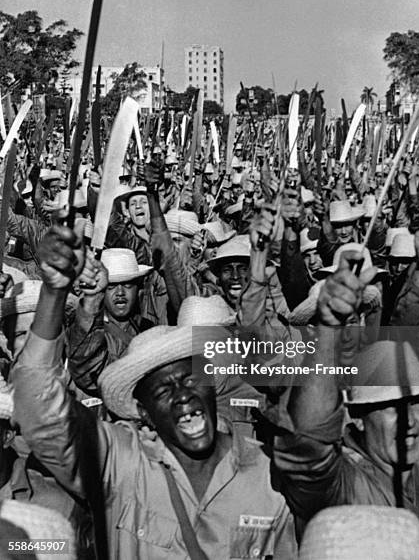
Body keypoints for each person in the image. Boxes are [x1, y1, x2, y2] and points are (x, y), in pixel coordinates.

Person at [11, 219, 297, 559]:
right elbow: (39, 406)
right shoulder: (121, 466)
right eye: (162, 392)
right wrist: (54, 293)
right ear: (142, 412)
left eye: (191, 379)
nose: (182, 396)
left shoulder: (268, 475)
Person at [270, 250, 419, 558]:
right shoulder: (344, 483)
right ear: (359, 417)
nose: (409, 421)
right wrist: (327, 332)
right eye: (390, 407)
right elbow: (307, 445)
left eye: (417, 403)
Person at [67, 248, 153, 397]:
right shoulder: (85, 333)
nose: (120, 292)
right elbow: (87, 373)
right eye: (111, 286)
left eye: (127, 285)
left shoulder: (151, 331)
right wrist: (92, 300)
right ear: (102, 290)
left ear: (138, 288)